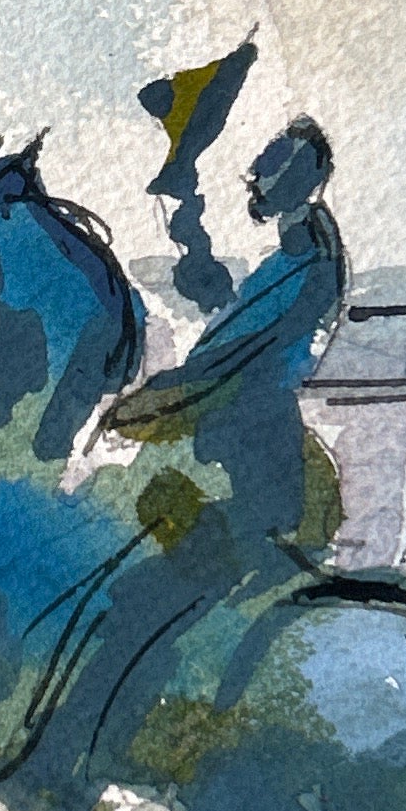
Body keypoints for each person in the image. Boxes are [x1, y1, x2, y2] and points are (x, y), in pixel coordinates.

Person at [110, 111, 348, 580]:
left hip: (253, 408)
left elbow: (263, 343)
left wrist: (182, 379)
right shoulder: (292, 256)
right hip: (244, 401)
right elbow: (245, 329)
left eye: (271, 168)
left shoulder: (310, 259)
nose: (256, 178)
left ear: (299, 182)